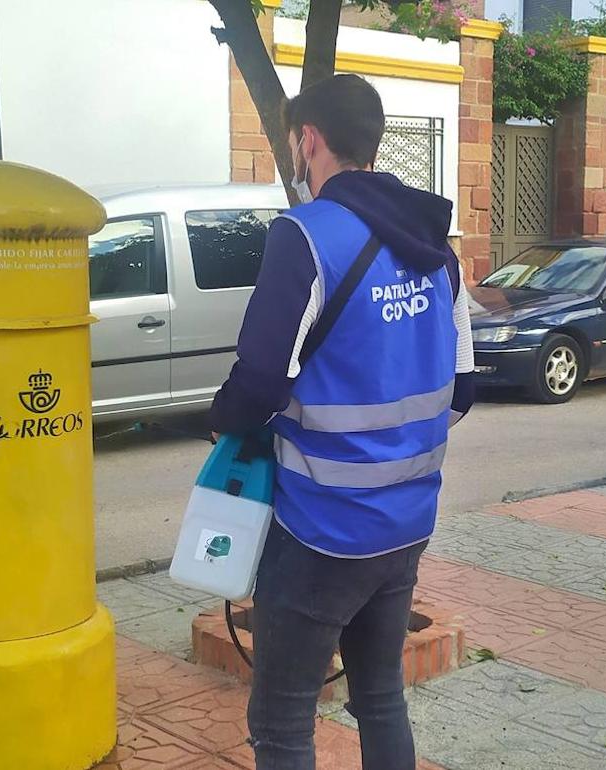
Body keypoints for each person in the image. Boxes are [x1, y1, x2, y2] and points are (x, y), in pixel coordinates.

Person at [210, 73, 474, 770]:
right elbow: (463, 390)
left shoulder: (304, 238)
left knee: (282, 720)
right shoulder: (435, 249)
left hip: (320, 529)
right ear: (374, 143)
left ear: (309, 140)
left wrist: (223, 422)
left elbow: (259, 382)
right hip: (407, 522)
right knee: (380, 696)